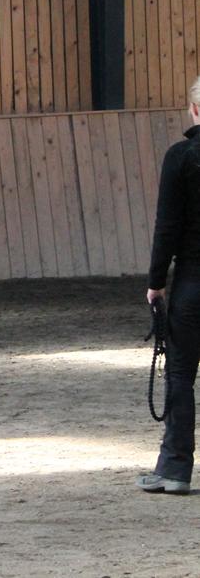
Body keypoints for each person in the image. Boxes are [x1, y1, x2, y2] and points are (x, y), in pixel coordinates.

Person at [139, 76, 200, 496]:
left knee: (179, 374)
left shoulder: (180, 158)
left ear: (195, 110)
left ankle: (175, 468)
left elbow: (168, 227)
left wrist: (156, 283)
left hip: (194, 283)